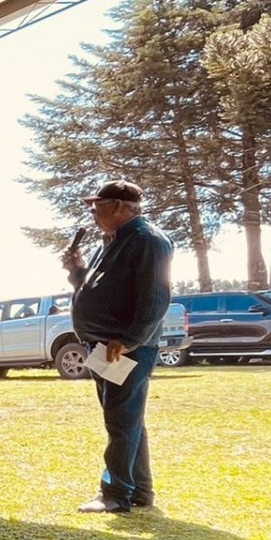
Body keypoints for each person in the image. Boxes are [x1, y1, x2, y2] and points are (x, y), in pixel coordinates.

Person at [62, 180, 172, 514]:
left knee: (121, 421)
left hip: (124, 347)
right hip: (104, 346)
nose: (92, 212)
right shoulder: (109, 242)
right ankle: (139, 490)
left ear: (118, 207)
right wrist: (77, 271)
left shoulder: (148, 240)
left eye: (97, 205)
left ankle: (114, 494)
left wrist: (129, 339)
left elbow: (156, 296)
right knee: (126, 419)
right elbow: (96, 287)